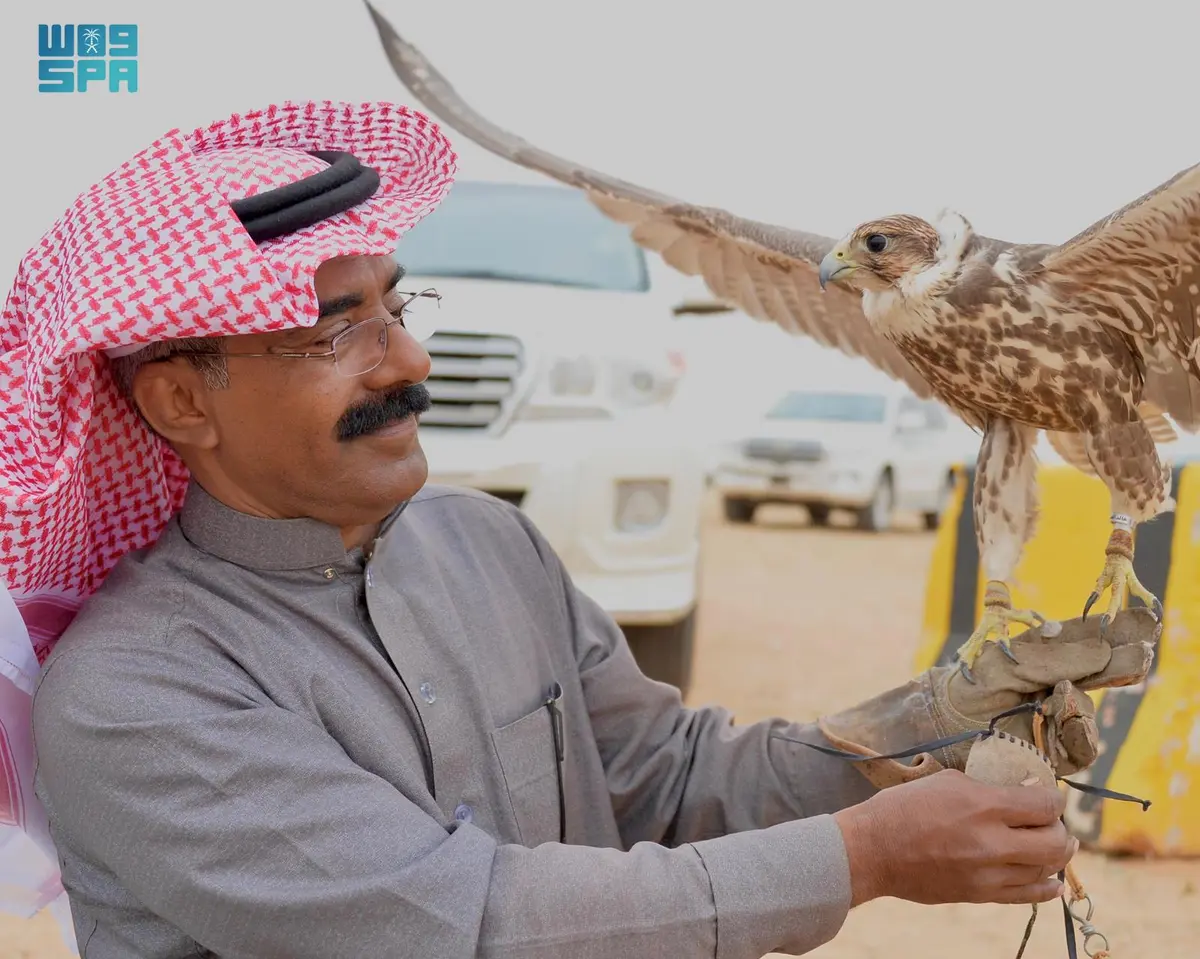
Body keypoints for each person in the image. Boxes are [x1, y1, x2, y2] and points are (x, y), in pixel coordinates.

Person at [2, 100, 1159, 959]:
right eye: (333, 333)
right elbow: (464, 920)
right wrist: (870, 854)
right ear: (179, 401)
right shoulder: (133, 693)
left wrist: (938, 717)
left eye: (400, 308)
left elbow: (678, 780)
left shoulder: (486, 547)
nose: (409, 358)